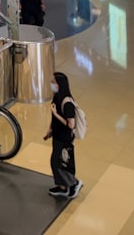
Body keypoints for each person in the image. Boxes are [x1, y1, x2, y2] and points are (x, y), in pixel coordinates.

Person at [43, 71, 82, 199]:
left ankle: (74, 183)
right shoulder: (57, 97)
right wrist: (50, 129)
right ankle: (63, 187)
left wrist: (56, 115)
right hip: (58, 135)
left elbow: (71, 124)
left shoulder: (67, 103)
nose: (52, 85)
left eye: (54, 82)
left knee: (61, 161)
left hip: (65, 137)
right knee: (57, 161)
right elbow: (53, 119)